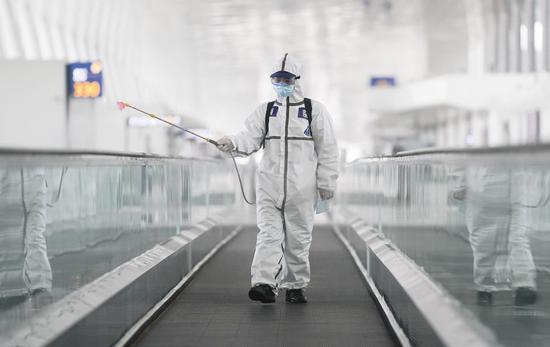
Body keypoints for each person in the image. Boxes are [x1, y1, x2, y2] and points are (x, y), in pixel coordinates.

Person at [217, 53, 339, 304]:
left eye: (286, 79)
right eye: (277, 79)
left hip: (302, 188)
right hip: (269, 187)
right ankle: (263, 284)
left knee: (298, 237)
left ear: (297, 79)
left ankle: (294, 286)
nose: (281, 84)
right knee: (268, 236)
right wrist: (232, 142)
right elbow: (248, 138)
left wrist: (327, 182)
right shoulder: (265, 112)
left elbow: (328, 148)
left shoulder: (313, 111)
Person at [0, 168, 52, 304]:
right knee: (15, 235)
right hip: (15, 177)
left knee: (36, 235)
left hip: (34, 178)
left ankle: (40, 286)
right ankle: (37, 287)